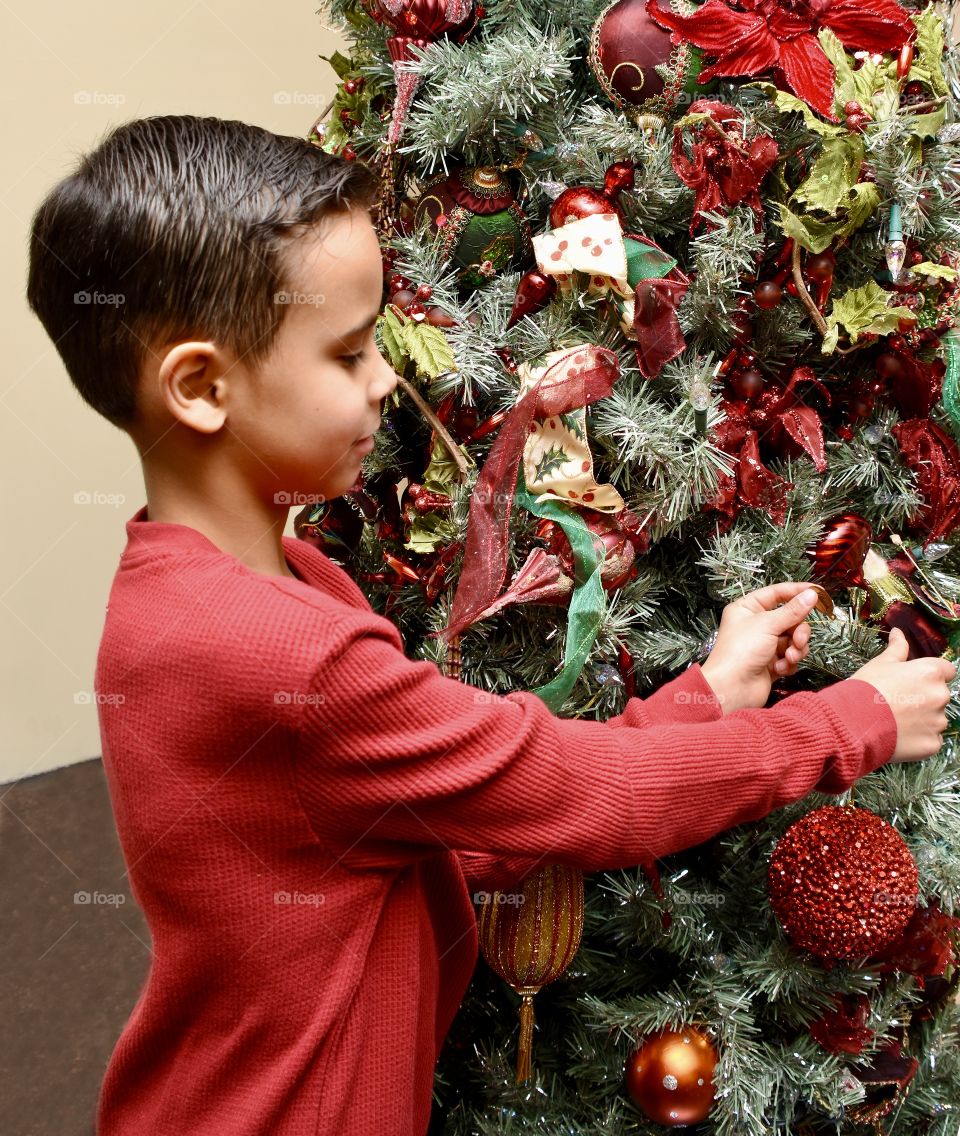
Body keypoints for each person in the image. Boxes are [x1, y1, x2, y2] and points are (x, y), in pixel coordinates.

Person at [26, 116, 954, 1136]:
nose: (387, 376)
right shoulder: (277, 650)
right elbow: (570, 792)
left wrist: (706, 697)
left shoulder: (246, 581)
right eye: (346, 351)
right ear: (201, 387)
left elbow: (465, 804)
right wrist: (848, 721)